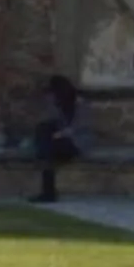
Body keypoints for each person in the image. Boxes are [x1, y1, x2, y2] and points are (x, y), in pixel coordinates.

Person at [31, 73, 85, 203]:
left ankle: (48, 193)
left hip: (76, 143)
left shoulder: (80, 105)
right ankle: (48, 192)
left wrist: (61, 134)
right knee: (44, 131)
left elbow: (80, 128)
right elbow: (52, 122)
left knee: (48, 151)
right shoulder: (58, 106)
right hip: (58, 142)